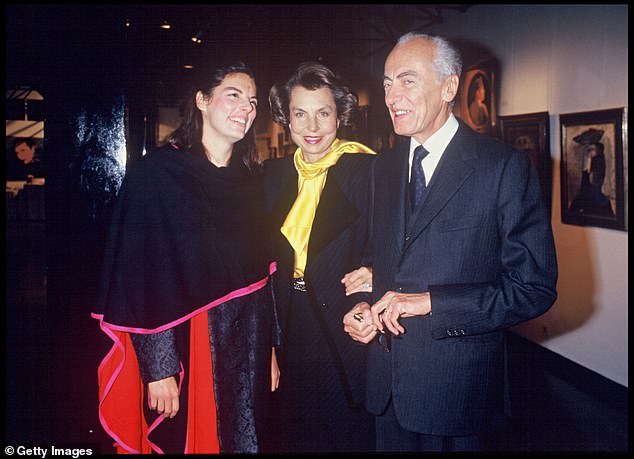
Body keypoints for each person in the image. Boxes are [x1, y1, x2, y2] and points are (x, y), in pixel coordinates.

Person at [342, 32, 558, 452]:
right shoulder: (381, 168)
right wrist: (367, 304)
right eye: (386, 83)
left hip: (458, 396)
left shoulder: (502, 168)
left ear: (449, 87)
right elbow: (388, 260)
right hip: (387, 390)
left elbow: (533, 288)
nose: (391, 95)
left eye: (406, 80)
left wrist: (429, 302)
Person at [92, 62, 281, 454]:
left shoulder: (251, 180)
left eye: (252, 101)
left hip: (248, 344)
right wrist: (158, 367)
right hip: (189, 342)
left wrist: (271, 350)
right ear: (202, 100)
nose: (246, 109)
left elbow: (264, 278)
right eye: (233, 95)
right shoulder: (156, 175)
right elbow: (140, 276)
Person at [263, 61, 376, 453]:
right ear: (286, 119)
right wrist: (267, 344)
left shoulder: (366, 170)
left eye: (322, 113)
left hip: (343, 326)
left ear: (340, 116)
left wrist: (375, 276)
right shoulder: (273, 176)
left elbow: (397, 242)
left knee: (343, 434)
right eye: (300, 114)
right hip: (289, 327)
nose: (311, 127)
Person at [568, 128, 614, 218]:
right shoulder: (588, 154)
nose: (590, 151)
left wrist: (590, 166)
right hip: (588, 184)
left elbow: (596, 174)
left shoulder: (599, 157)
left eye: (592, 150)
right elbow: (586, 171)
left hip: (594, 184)